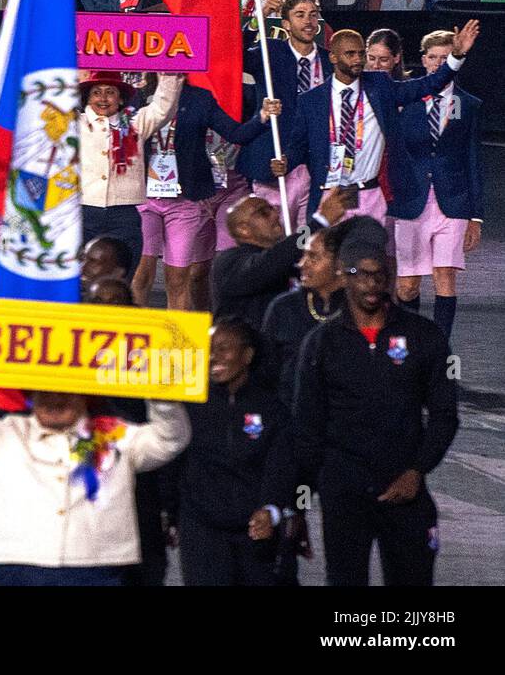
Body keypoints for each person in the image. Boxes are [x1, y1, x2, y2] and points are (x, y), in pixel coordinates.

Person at [294, 222, 457, 586]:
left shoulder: (424, 336)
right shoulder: (321, 344)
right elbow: (306, 424)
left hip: (406, 490)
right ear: (343, 276)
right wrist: (307, 494)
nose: (371, 284)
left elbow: (445, 415)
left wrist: (417, 470)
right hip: (344, 494)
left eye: (379, 275)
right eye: (360, 274)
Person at [0, 382, 190, 586]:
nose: (55, 400)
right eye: (46, 393)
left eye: (65, 393)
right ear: (32, 395)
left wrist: (162, 393)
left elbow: (171, 439)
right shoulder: (5, 433)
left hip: (97, 568)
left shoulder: (114, 435)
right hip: (20, 567)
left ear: (85, 396)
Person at [271, 24, 480, 223]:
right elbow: (298, 147)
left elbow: (428, 84)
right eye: (350, 54)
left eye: (361, 53)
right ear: (333, 57)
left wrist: (456, 56)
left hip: (369, 195)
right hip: (329, 195)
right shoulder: (311, 100)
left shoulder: (380, 86)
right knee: (330, 259)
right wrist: (286, 162)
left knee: (367, 258)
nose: (358, 60)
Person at [137, 85, 281, 310]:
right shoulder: (138, 96)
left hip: (183, 201)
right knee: (141, 274)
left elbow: (236, 134)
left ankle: (177, 342)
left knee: (178, 279)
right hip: (144, 197)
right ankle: (134, 337)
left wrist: (261, 117)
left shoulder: (199, 99)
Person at [174, 316, 294, 586]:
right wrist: (169, 511)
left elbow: (282, 466)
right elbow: (173, 461)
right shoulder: (189, 404)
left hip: (254, 531)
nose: (214, 356)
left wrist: (271, 509)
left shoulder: (272, 409)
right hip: (202, 531)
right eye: (209, 348)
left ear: (248, 355)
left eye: (224, 348)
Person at [389, 31, 484, 339]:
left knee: (445, 277)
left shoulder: (468, 105)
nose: (440, 63)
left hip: (452, 202)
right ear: (424, 59)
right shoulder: (406, 100)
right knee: (407, 286)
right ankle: (405, 348)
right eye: (434, 57)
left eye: (447, 57)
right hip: (411, 201)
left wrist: (476, 216)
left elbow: (473, 160)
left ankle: (439, 351)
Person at [79, 70, 182, 274]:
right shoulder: (74, 123)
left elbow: (163, 107)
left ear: (120, 98)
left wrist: (169, 72)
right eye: (96, 92)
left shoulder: (135, 123)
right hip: (82, 212)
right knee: (79, 279)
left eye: (110, 92)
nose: (103, 98)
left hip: (123, 216)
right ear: (88, 98)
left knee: (122, 276)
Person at [212, 190, 348, 329]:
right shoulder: (227, 262)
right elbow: (269, 264)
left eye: (272, 209)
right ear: (243, 229)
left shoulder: (284, 258)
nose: (275, 215)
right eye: (263, 212)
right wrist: (320, 221)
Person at [260, 221, 350, 407]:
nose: (301, 264)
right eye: (303, 256)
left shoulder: (360, 310)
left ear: (340, 264)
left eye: (313, 257)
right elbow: (267, 371)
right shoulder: (283, 308)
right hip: (290, 419)